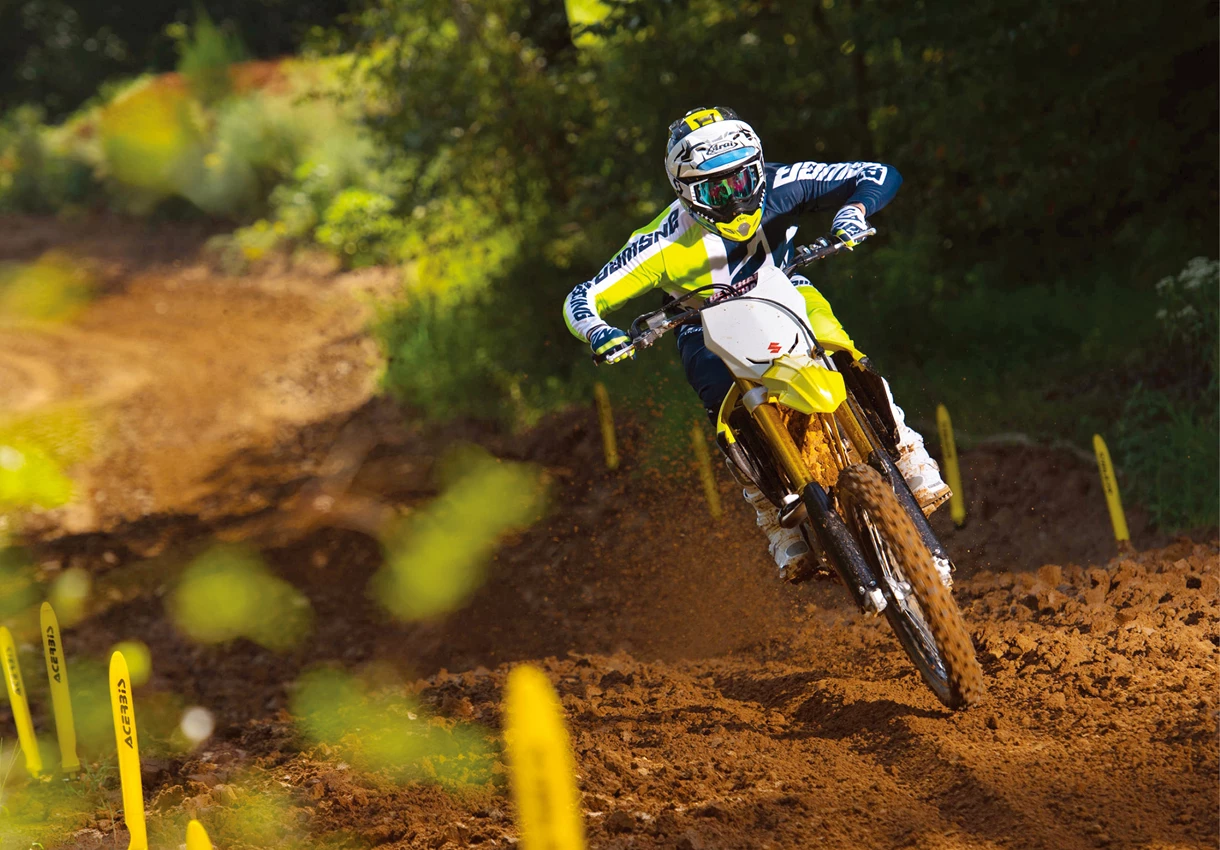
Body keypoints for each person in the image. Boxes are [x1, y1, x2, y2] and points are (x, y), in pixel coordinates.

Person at [562, 106, 949, 578]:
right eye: (716, 190)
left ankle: (907, 449)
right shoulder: (661, 241)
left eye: (743, 182)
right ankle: (774, 517)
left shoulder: (782, 182)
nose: (734, 199)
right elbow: (584, 296)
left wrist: (854, 208)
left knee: (844, 351)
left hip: (784, 292)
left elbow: (877, 173)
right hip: (704, 322)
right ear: (686, 192)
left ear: (757, 168)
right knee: (723, 407)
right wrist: (600, 331)